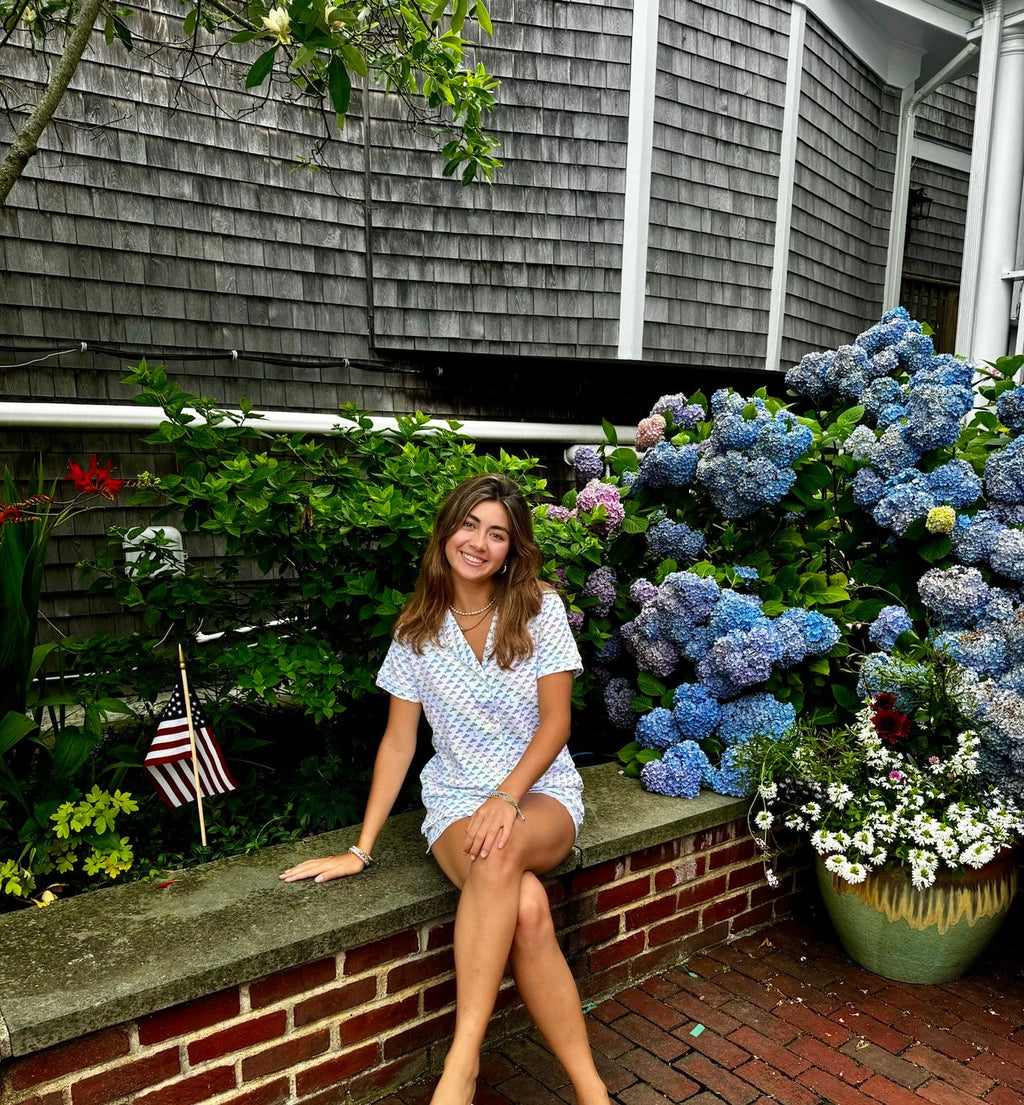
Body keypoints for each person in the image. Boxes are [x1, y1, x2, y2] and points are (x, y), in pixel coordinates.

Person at [280, 473, 610, 1105]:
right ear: (446, 531)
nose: (479, 543)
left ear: (512, 549)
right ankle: (592, 1092)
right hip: (456, 800)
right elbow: (398, 743)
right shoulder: (416, 629)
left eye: (497, 534)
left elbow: (557, 725)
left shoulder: (539, 608)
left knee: (501, 845)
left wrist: (506, 798)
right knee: (527, 907)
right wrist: (361, 848)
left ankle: (461, 1062)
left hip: (540, 793)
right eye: (469, 525)